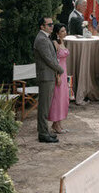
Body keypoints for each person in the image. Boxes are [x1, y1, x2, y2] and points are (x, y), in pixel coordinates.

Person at [33, 15, 64, 143]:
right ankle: (43, 133)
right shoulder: (41, 39)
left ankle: (45, 131)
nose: (52, 26)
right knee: (44, 107)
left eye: (52, 24)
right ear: (42, 26)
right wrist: (60, 69)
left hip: (49, 75)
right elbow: (49, 59)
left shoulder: (45, 38)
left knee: (46, 106)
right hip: (46, 76)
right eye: (49, 25)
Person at [47, 23, 71, 133]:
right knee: (57, 99)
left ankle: (59, 124)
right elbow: (54, 61)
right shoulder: (55, 43)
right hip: (58, 73)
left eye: (65, 30)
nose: (65, 32)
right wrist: (57, 76)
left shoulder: (62, 42)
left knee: (63, 98)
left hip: (64, 71)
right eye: (62, 31)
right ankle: (55, 124)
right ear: (57, 33)